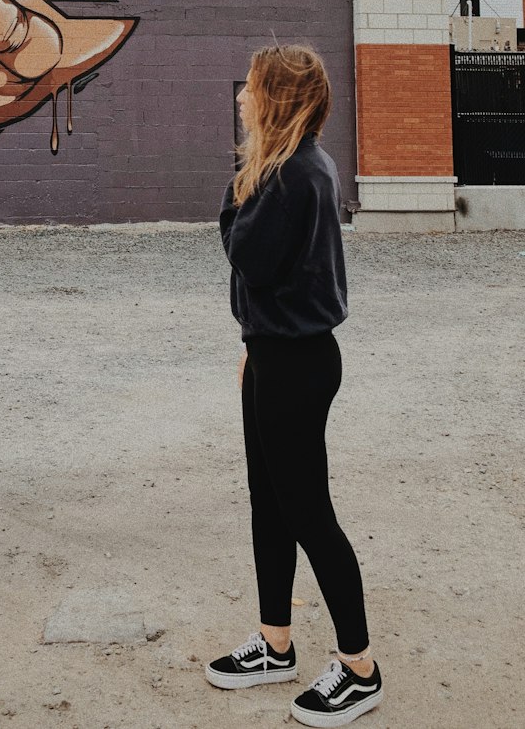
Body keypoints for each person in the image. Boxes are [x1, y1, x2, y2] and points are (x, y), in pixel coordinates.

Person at [205, 45, 383, 726]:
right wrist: (253, 346)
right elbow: (271, 279)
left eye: (250, 92)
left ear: (273, 101)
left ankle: (360, 667)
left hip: (297, 365)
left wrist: (236, 190)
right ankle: (275, 642)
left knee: (309, 512)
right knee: (269, 503)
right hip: (275, 354)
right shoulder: (294, 165)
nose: (242, 99)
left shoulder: (289, 176)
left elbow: (246, 254)